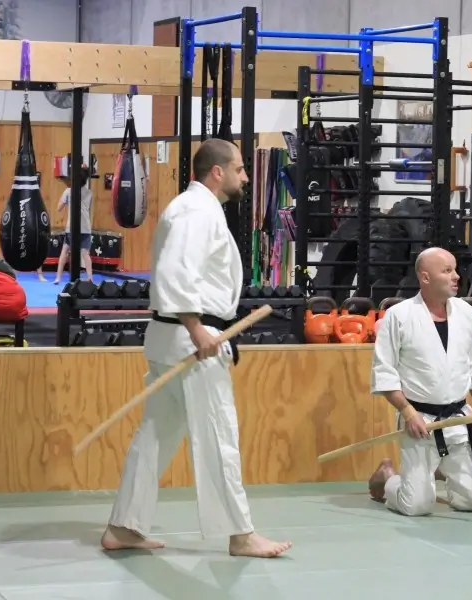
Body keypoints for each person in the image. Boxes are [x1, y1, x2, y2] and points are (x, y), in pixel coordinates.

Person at [100, 139, 292, 558]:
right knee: (219, 433)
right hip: (192, 338)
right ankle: (240, 534)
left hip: (179, 337)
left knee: (156, 434)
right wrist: (196, 327)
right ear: (217, 172)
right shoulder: (193, 211)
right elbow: (176, 270)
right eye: (240, 169)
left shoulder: (200, 210)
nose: (245, 176)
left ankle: (124, 525)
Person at [367, 247, 472, 516]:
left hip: (459, 419)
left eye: (455, 269)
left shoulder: (465, 313)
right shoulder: (399, 316)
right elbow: (385, 372)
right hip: (420, 420)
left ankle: (435, 470)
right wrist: (408, 413)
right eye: (447, 271)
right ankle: (388, 477)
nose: (456, 276)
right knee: (417, 506)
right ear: (425, 278)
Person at [52, 166, 94, 285]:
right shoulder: (89, 192)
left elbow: (59, 208)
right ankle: (90, 278)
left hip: (72, 227)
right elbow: (88, 208)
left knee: (64, 251)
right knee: (85, 253)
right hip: (85, 227)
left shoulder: (68, 191)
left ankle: (58, 278)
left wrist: (64, 202)